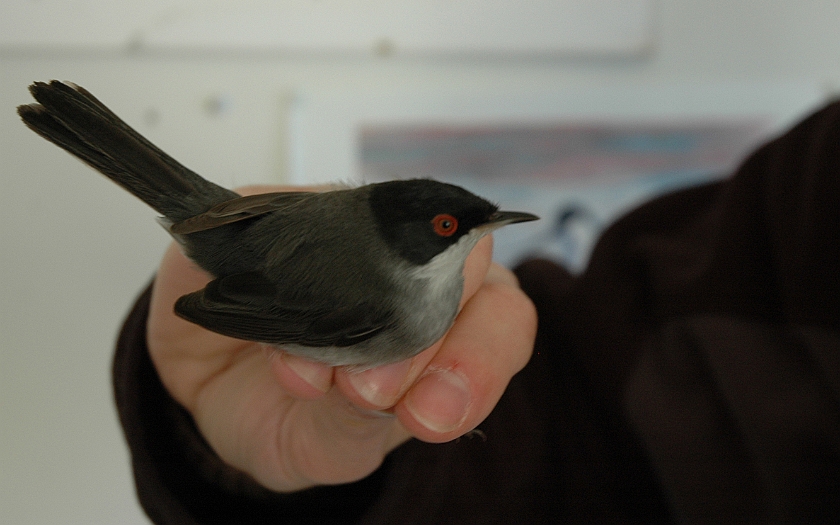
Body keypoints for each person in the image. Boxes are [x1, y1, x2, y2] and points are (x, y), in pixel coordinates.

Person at [114, 99, 840, 524]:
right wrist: (266, 473)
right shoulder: (800, 203)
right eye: (450, 229)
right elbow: (585, 420)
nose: (472, 233)